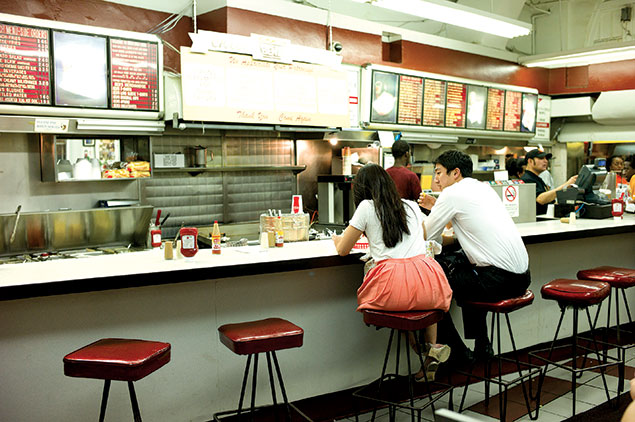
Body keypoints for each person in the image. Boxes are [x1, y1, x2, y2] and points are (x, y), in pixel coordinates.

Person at [332, 164, 453, 380]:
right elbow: (423, 236)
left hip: (391, 288)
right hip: (429, 281)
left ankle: (421, 347)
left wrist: (336, 239)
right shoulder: (411, 205)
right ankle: (430, 350)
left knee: (401, 299)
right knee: (419, 298)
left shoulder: (367, 207)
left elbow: (343, 250)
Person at [418, 150, 530, 362]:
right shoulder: (483, 188)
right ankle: (482, 344)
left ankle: (457, 353)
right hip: (522, 278)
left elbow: (425, 235)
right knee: (467, 271)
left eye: (439, 172)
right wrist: (436, 207)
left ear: (455, 173)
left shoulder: (452, 193)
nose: (436, 179)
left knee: (431, 280)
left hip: (498, 280)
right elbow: (463, 228)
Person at [521, 149, 577, 215]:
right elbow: (540, 199)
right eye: (541, 158)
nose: (545, 161)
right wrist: (566, 185)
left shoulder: (537, 179)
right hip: (536, 219)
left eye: (546, 159)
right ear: (530, 161)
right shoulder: (527, 179)